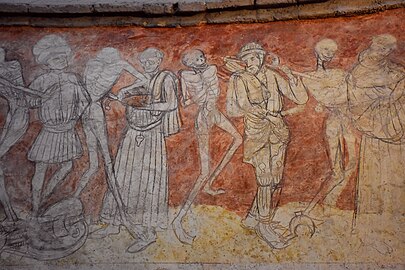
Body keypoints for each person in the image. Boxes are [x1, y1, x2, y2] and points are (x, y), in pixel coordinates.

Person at [97, 47, 180, 253]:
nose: (148, 63)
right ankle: (114, 223)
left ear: (159, 60)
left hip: (152, 136)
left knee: (149, 180)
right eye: (145, 61)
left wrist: (145, 106)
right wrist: (120, 95)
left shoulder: (166, 78)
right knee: (123, 175)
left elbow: (171, 104)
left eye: (152, 60)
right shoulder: (144, 78)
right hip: (132, 133)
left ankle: (147, 233)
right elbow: (128, 92)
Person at [226, 42, 308, 248]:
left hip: (278, 131)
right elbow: (233, 109)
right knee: (264, 179)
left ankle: (253, 219)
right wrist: (254, 110)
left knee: (275, 179)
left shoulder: (272, 75)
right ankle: (264, 224)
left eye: (254, 58)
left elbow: (299, 97)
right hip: (257, 133)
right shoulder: (238, 79)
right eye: (246, 59)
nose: (251, 62)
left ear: (261, 58)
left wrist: (290, 75)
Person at [171, 49, 242, 244]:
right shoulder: (185, 76)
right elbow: (185, 101)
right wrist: (193, 93)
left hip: (215, 112)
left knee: (238, 139)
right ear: (190, 64)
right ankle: (178, 220)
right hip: (203, 117)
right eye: (197, 60)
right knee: (203, 171)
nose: (202, 60)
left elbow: (223, 81)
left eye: (202, 57)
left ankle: (209, 184)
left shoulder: (211, 69)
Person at [74, 47, 147, 227]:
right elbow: (143, 78)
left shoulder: (92, 64)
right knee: (107, 162)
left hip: (85, 111)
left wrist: (111, 94)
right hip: (95, 111)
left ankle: (73, 198)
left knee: (93, 165)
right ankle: (122, 212)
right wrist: (123, 91)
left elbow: (91, 88)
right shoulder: (119, 64)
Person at [289, 39, 357, 214]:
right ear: (317, 52)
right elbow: (301, 100)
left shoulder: (340, 74)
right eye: (325, 49)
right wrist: (291, 78)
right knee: (336, 171)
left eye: (332, 51)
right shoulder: (307, 77)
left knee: (353, 162)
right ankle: (315, 209)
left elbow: (349, 94)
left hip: (346, 120)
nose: (329, 53)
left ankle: (327, 203)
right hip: (334, 123)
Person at [28, 34, 89, 215]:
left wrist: (75, 115)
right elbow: (30, 101)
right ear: (47, 62)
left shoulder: (73, 78)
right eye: (56, 58)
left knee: (68, 165)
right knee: (41, 167)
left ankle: (46, 195)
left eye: (63, 57)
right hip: (50, 131)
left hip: (68, 130)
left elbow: (85, 101)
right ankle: (35, 207)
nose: (61, 60)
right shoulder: (41, 81)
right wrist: (41, 98)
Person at [348, 34, 404, 229]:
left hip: (396, 131)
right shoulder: (359, 73)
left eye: (389, 49)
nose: (386, 52)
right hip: (375, 135)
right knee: (375, 179)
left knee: (396, 179)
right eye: (383, 48)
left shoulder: (395, 71)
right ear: (374, 47)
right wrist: (389, 91)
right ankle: (371, 228)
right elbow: (358, 103)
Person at [0, 47, 29, 221]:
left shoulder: (12, 66)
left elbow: (17, 89)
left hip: (19, 115)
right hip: (13, 114)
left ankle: (10, 214)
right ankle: (10, 214)